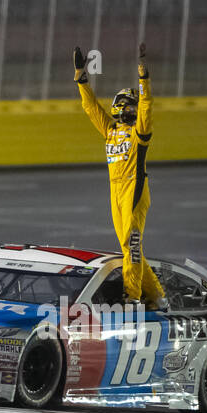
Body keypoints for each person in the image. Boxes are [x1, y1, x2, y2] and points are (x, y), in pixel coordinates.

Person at [72, 42, 166, 309]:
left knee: (131, 242)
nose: (131, 109)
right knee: (128, 246)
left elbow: (148, 105)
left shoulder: (140, 133)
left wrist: (143, 75)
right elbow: (91, 108)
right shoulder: (110, 130)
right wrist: (81, 76)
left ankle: (132, 296)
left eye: (132, 106)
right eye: (128, 105)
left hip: (135, 189)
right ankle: (158, 296)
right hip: (115, 190)